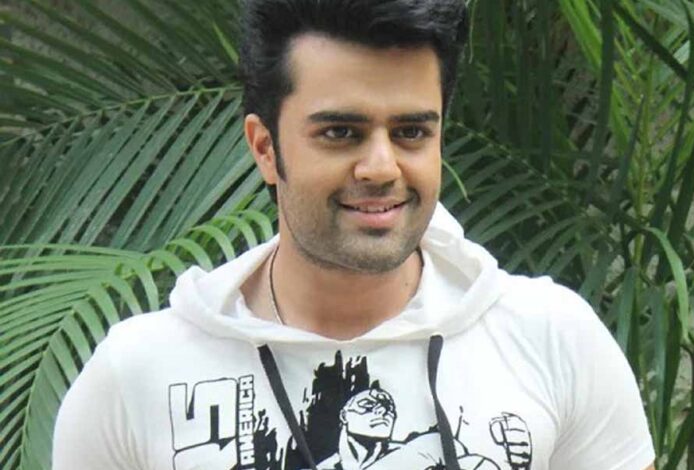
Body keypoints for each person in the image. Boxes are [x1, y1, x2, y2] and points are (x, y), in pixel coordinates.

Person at [53, 0, 657, 469]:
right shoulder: (139, 373)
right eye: (341, 133)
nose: (381, 168)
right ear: (265, 148)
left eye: (412, 132)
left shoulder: (551, 338)